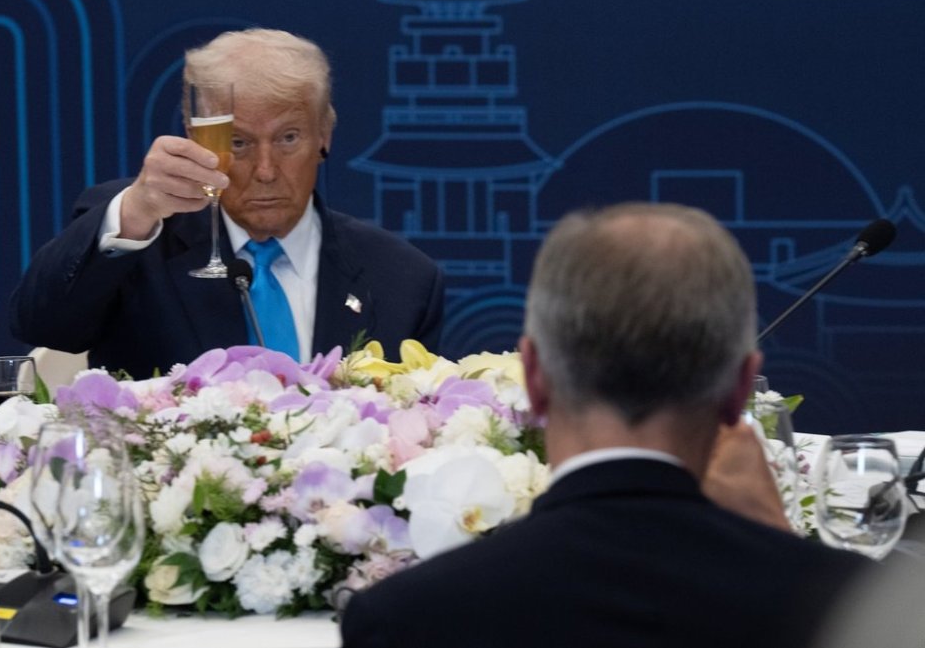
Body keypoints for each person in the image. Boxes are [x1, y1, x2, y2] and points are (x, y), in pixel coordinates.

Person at [340, 203, 869, 648]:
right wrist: (787, 558)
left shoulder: (404, 620)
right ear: (740, 391)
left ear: (534, 378)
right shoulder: (861, 613)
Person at [10, 29, 443, 377]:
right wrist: (137, 212)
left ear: (324, 135)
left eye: (288, 138)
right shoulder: (139, 239)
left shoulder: (403, 280)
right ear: (199, 137)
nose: (266, 170)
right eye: (238, 143)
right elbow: (42, 325)